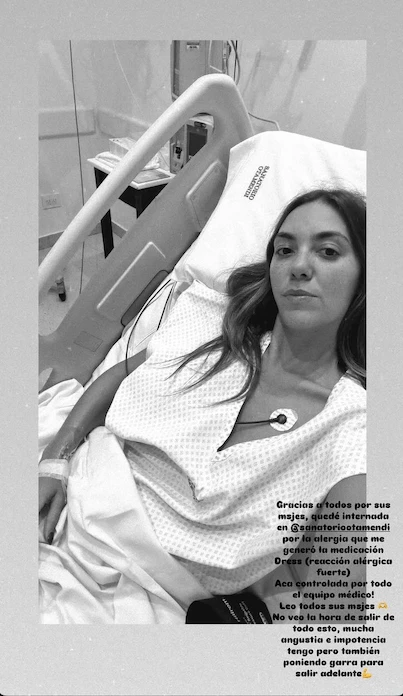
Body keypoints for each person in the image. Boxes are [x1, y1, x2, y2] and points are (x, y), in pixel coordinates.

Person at [39, 187, 366, 622]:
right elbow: (122, 375)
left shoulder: (351, 427)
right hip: (72, 502)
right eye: (285, 250)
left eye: (328, 251)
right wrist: (54, 462)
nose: (299, 266)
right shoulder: (220, 327)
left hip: (147, 598)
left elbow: (339, 603)